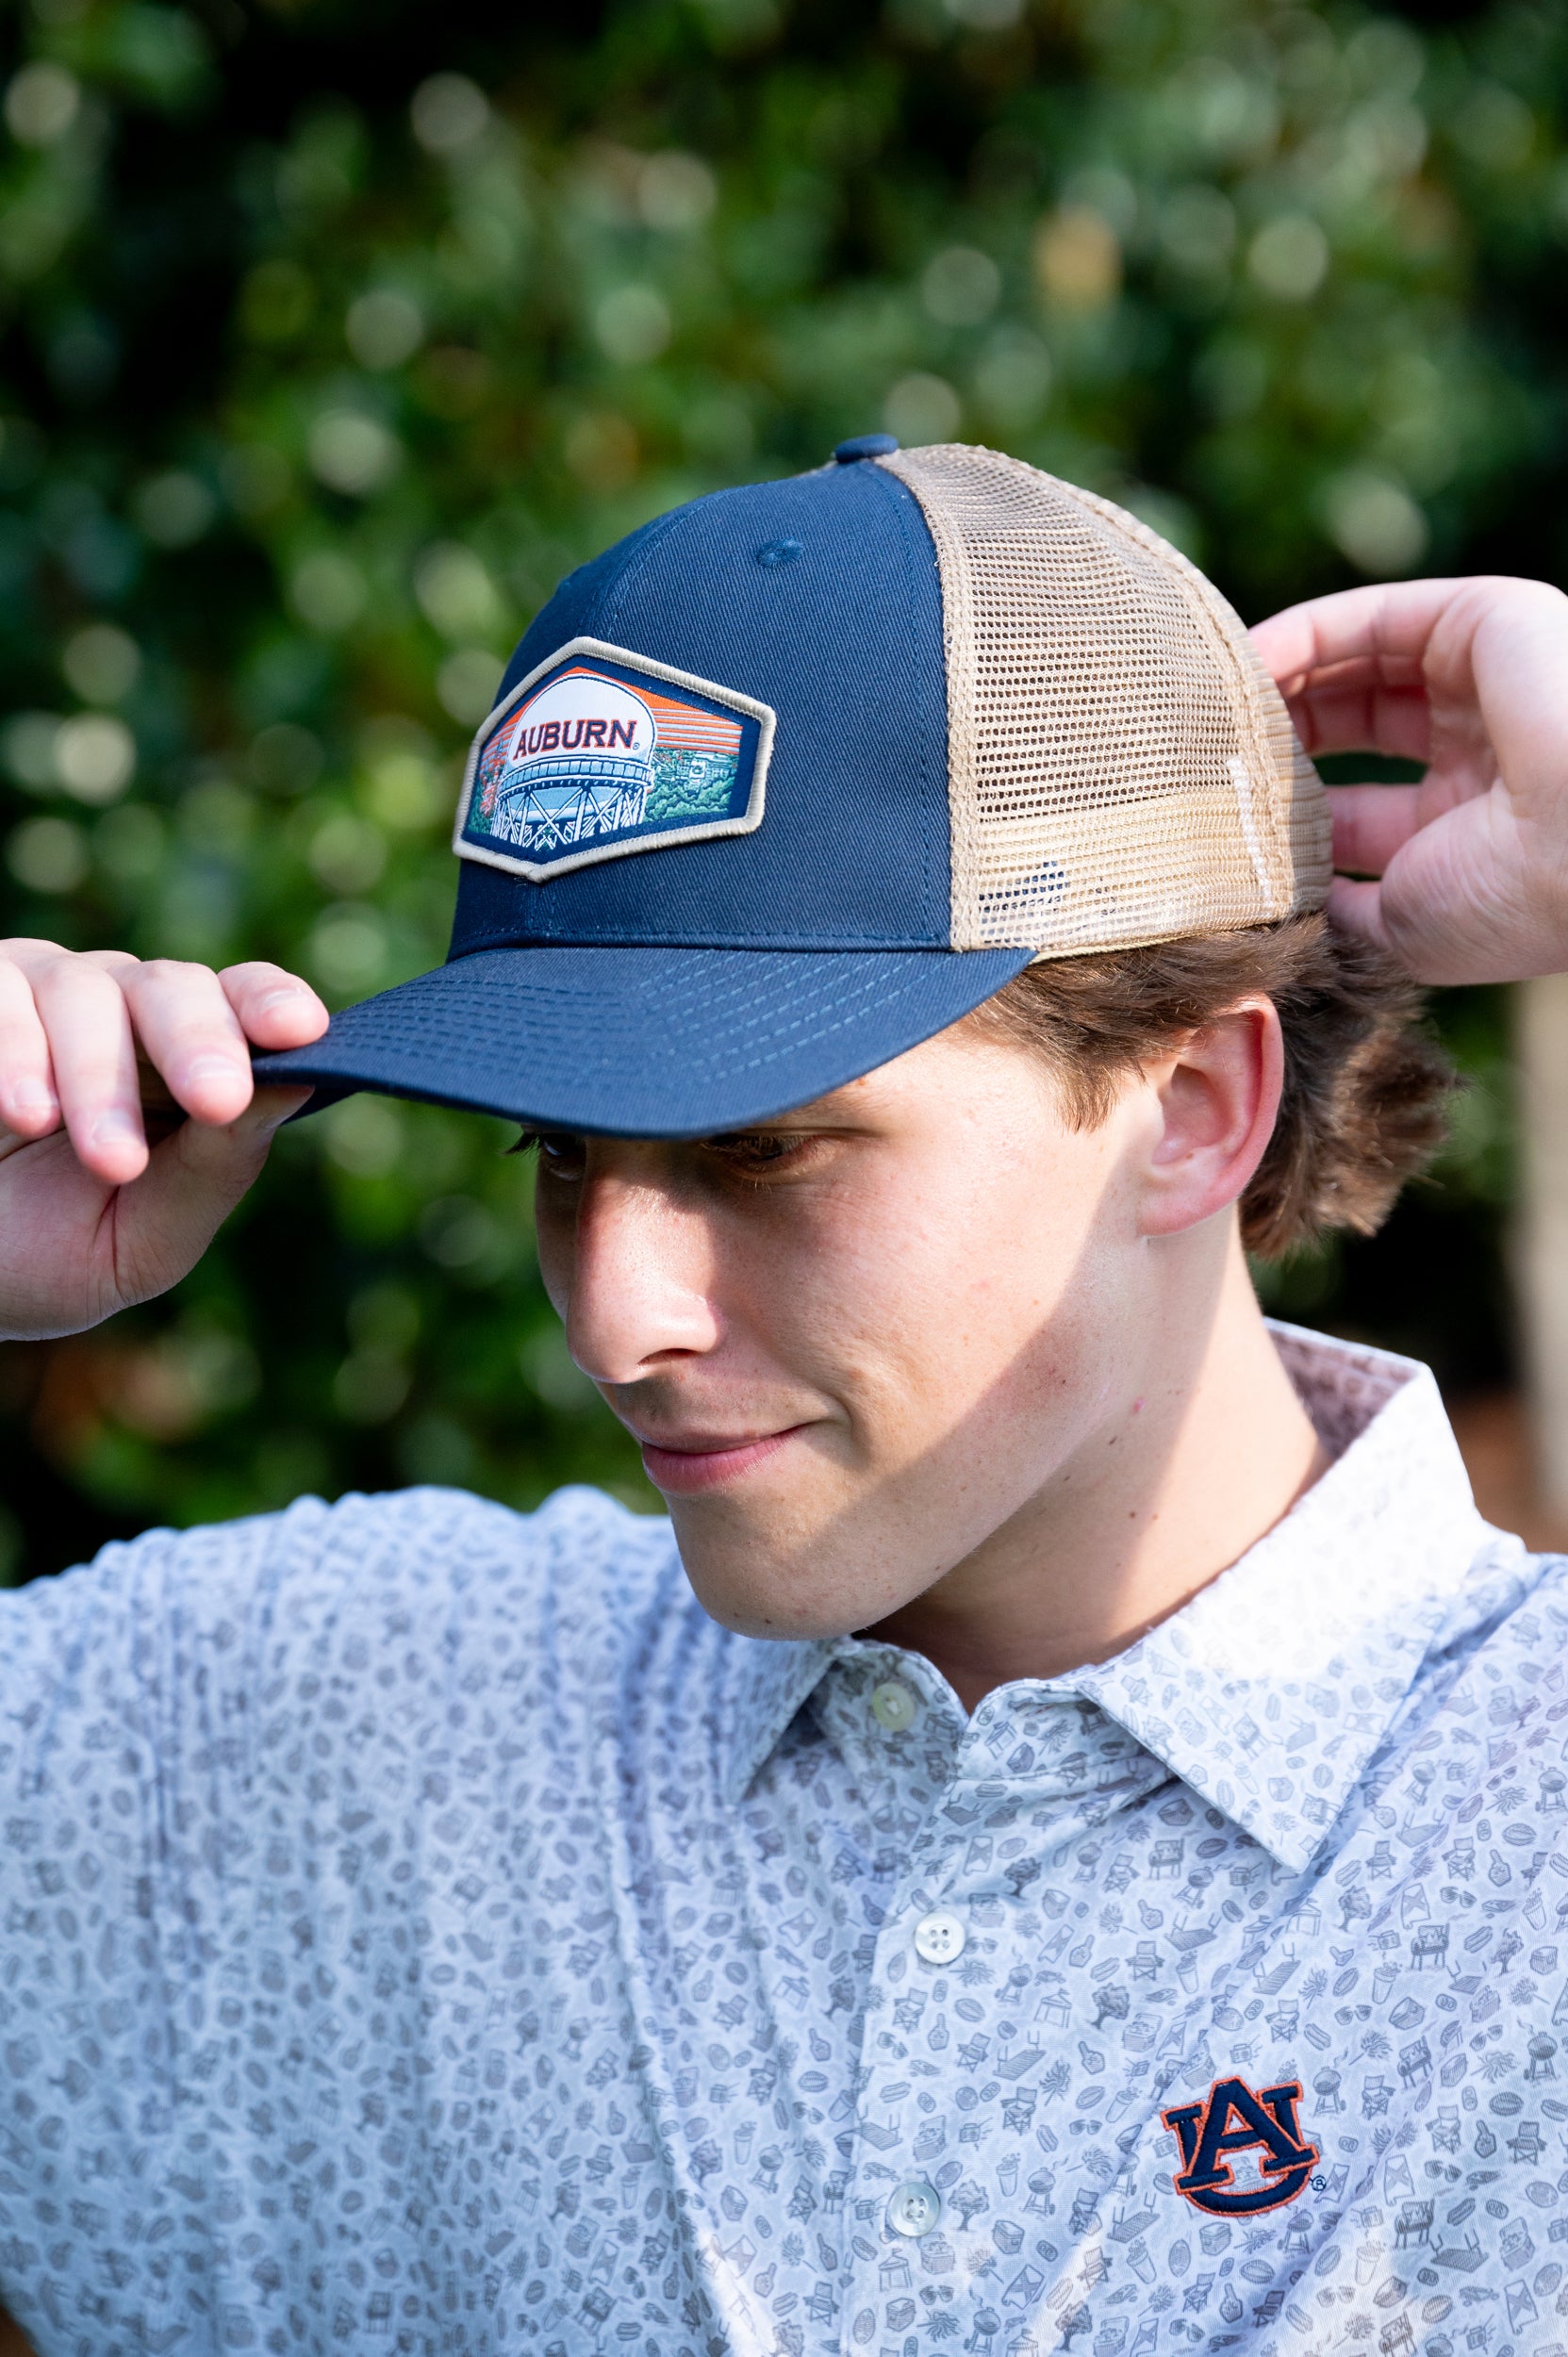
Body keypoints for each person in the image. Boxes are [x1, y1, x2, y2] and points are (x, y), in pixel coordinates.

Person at [0, 439, 1564, 2357]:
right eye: (554, 1151)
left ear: (1189, 1109)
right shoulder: (302, 1732)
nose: (611, 1313)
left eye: (764, 1149)